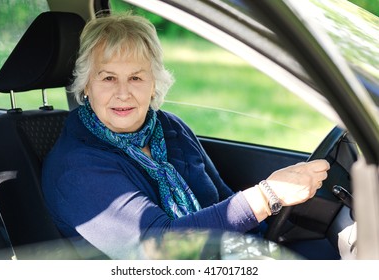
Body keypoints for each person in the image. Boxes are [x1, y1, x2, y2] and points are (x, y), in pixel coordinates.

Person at [42, 12, 330, 259]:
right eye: (107, 78)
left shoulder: (169, 128)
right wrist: (267, 196)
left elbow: (223, 199)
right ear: (86, 86)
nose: (123, 92)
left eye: (136, 77)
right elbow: (162, 249)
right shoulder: (78, 168)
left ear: (154, 83)